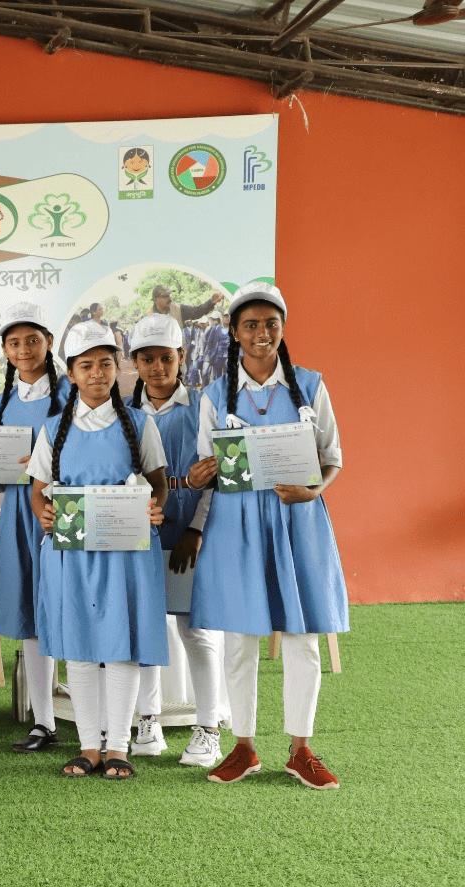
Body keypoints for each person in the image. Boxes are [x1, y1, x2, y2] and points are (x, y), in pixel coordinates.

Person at [187, 282, 347, 789]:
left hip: (298, 522)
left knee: (302, 637)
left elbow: (332, 458)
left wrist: (312, 491)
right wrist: (198, 475)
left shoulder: (311, 385)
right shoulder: (214, 395)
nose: (261, 333)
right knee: (239, 638)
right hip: (236, 526)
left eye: (270, 324)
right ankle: (244, 747)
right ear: (234, 332)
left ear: (283, 328)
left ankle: (301, 749)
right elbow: (205, 467)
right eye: (250, 325)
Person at [28, 321, 169, 780]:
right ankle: (89, 747)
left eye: (105, 364)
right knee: (81, 649)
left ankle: (119, 747)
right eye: (86, 366)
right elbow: (37, 490)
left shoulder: (140, 424)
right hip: (71, 554)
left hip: (127, 553)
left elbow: (160, 484)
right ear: (70, 373)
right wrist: (44, 514)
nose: (96, 373)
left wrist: (155, 507)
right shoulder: (54, 429)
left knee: (122, 647)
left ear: (118, 368)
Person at [125, 313, 229, 769]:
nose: (157, 367)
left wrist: (196, 529)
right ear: (135, 362)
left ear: (181, 357)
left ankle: (209, 728)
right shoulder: (124, 413)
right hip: (138, 534)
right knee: (146, 628)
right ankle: (147, 720)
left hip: (188, 532)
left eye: (166, 358)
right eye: (147, 359)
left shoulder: (203, 405)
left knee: (195, 630)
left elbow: (216, 476)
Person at [0, 302, 66, 752]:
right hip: (18, 514)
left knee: (72, 608)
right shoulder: (1, 403)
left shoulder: (73, 393)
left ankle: (102, 721)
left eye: (33, 340)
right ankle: (44, 721)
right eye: (14, 342)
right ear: (5, 350)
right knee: (33, 615)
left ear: (48, 342)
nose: (24, 349)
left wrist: (43, 465)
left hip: (61, 513)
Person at [152, 284, 223, 326]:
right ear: (155, 299)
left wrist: (211, 302)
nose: (169, 298)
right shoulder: (148, 318)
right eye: (165, 296)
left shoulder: (179, 310)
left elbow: (197, 311)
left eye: (169, 295)